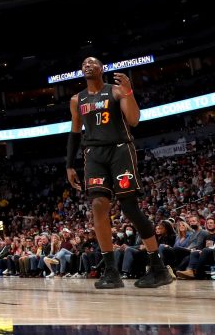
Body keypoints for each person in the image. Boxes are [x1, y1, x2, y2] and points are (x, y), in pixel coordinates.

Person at [65, 57, 173, 289]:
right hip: (93, 154)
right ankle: (111, 271)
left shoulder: (115, 91)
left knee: (129, 207)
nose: (87, 65)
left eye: (93, 63)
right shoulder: (77, 99)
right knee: (97, 205)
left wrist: (129, 93)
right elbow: (74, 132)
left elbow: (133, 120)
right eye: (84, 63)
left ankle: (158, 269)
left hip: (120, 149)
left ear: (102, 69)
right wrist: (69, 164)